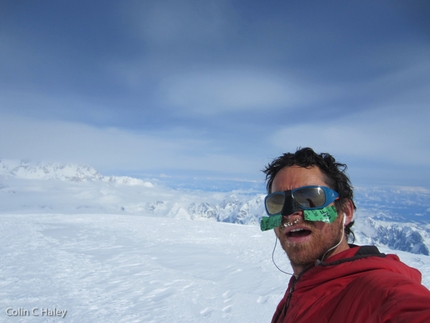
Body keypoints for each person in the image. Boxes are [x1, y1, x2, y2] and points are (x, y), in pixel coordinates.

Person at [261, 147, 430, 323]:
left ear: (346, 212)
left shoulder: (377, 290)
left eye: (311, 198)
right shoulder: (302, 285)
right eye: (277, 203)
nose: (289, 213)